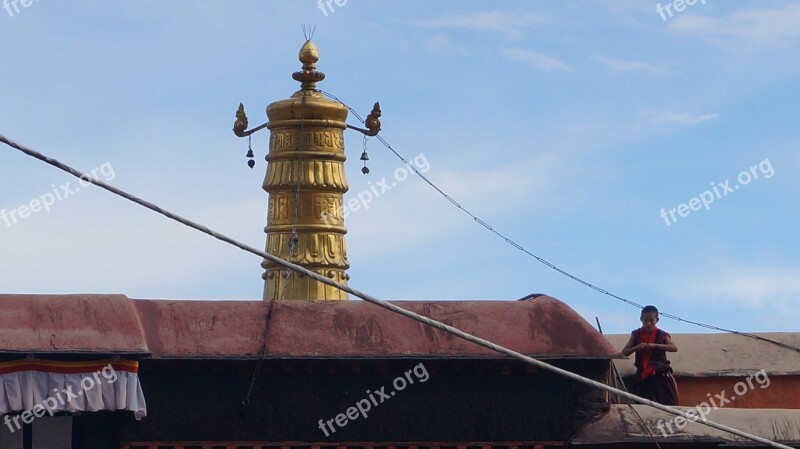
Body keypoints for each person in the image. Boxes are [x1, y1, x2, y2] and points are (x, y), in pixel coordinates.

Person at [621, 305, 679, 405]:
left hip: (660, 376)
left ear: (657, 320)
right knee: (643, 405)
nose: (648, 323)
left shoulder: (661, 334)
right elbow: (624, 352)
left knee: (667, 404)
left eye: (651, 320)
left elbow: (674, 348)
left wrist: (654, 345)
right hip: (642, 376)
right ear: (641, 319)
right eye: (645, 320)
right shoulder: (636, 334)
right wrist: (637, 347)